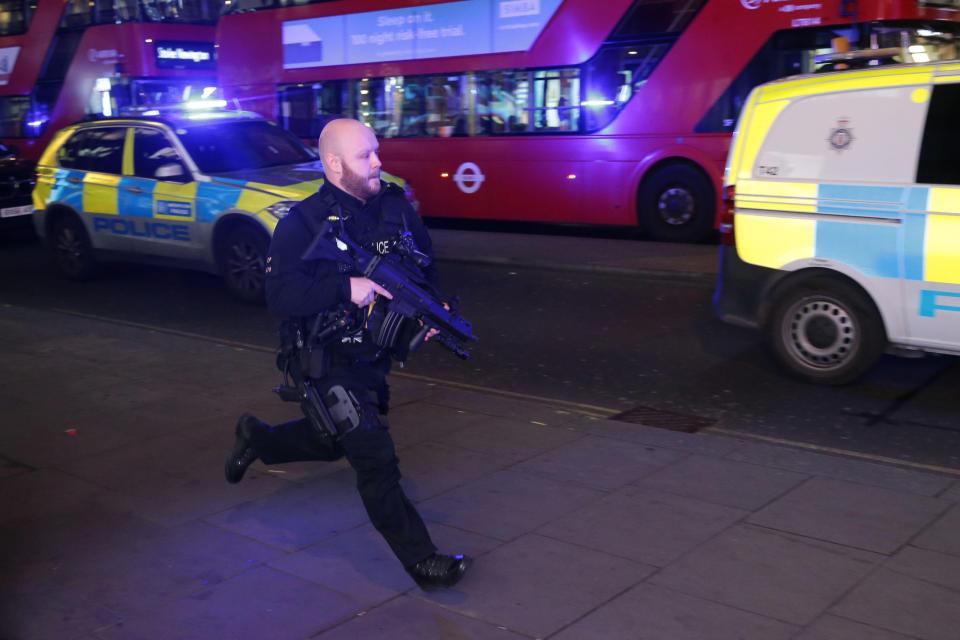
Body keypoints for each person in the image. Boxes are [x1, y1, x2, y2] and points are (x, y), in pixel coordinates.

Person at [224, 118, 471, 590]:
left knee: (330, 442)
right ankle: (424, 562)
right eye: (365, 156)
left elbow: (425, 266)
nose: (378, 162)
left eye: (376, 151)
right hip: (325, 358)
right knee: (374, 455)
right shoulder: (302, 223)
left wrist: (434, 306)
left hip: (372, 356)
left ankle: (258, 440)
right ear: (333, 164)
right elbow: (278, 295)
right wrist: (344, 286)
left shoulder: (396, 207)